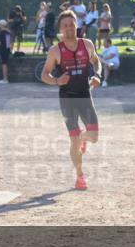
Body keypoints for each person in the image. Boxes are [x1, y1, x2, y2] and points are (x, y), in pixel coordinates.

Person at [41, 10, 103, 190]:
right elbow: (44, 74)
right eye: (65, 25)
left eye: (71, 24)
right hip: (67, 99)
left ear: (77, 25)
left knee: (94, 137)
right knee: (74, 140)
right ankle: (80, 176)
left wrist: (97, 75)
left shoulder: (87, 44)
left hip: (84, 95)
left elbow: (96, 61)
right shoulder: (55, 51)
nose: (69, 28)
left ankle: (83, 139)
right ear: (60, 28)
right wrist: (56, 81)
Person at [0, 19, 12, 83]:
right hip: (7, 50)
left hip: (2, 50)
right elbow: (8, 43)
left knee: (4, 64)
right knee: (5, 64)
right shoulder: (8, 33)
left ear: (2, 25)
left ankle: (5, 79)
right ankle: (5, 78)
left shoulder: (1, 33)